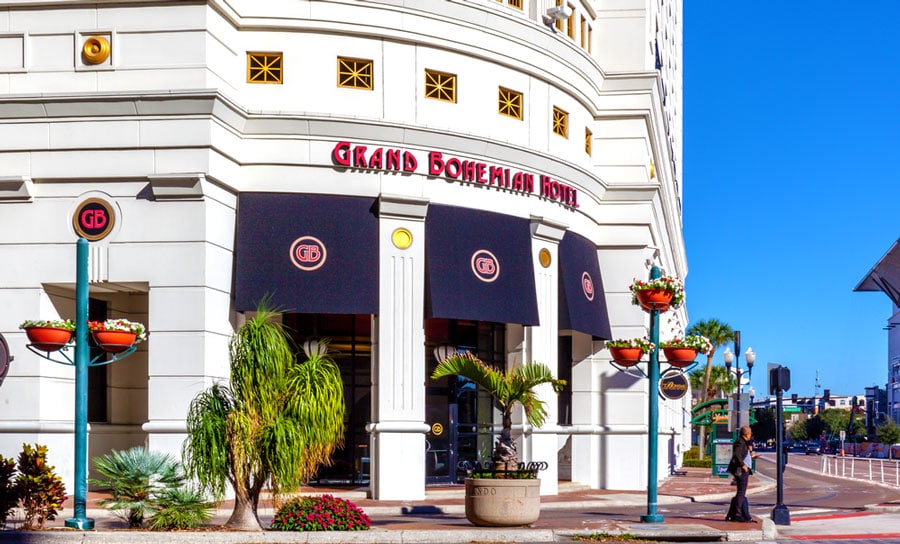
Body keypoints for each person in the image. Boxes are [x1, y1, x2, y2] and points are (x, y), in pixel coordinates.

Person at [725, 425, 758, 522]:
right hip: (741, 470)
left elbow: (742, 454)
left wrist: (752, 457)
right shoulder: (740, 442)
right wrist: (743, 465)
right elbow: (737, 455)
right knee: (741, 492)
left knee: (741, 492)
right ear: (746, 433)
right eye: (750, 433)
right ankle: (737, 514)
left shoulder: (744, 442)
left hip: (743, 469)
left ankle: (735, 512)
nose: (751, 435)